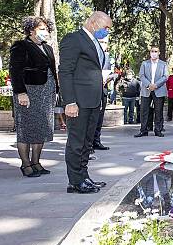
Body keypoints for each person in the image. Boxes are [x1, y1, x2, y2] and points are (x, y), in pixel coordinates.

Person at [59, 11, 112, 194]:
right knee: (76, 142)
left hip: (93, 101)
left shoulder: (94, 41)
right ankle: (74, 181)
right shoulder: (74, 39)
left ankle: (84, 177)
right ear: (94, 22)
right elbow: (65, 72)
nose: (107, 31)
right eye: (105, 27)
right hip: (79, 102)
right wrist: (70, 101)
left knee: (87, 143)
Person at [9, 17, 58, 177]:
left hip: (46, 93)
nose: (45, 32)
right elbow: (15, 71)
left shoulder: (48, 48)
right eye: (41, 28)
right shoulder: (21, 46)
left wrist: (55, 90)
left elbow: (52, 71)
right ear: (31, 30)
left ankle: (36, 162)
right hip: (29, 92)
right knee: (26, 129)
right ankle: (25, 164)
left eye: (46, 29)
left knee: (41, 128)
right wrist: (21, 92)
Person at [135, 46, 168, 137]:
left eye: (155, 51)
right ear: (150, 53)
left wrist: (155, 85)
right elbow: (141, 75)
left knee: (158, 111)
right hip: (146, 90)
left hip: (159, 89)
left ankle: (158, 130)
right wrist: (149, 85)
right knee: (144, 111)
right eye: (152, 51)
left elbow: (165, 77)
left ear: (159, 53)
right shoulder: (145, 63)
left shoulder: (163, 64)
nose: (154, 53)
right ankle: (143, 130)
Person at [92, 38, 115, 150]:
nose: (103, 44)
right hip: (92, 90)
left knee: (100, 117)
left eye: (105, 42)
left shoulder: (107, 56)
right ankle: (88, 144)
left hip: (103, 90)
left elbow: (109, 72)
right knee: (92, 118)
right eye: (101, 42)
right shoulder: (91, 55)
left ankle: (97, 141)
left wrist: (109, 78)